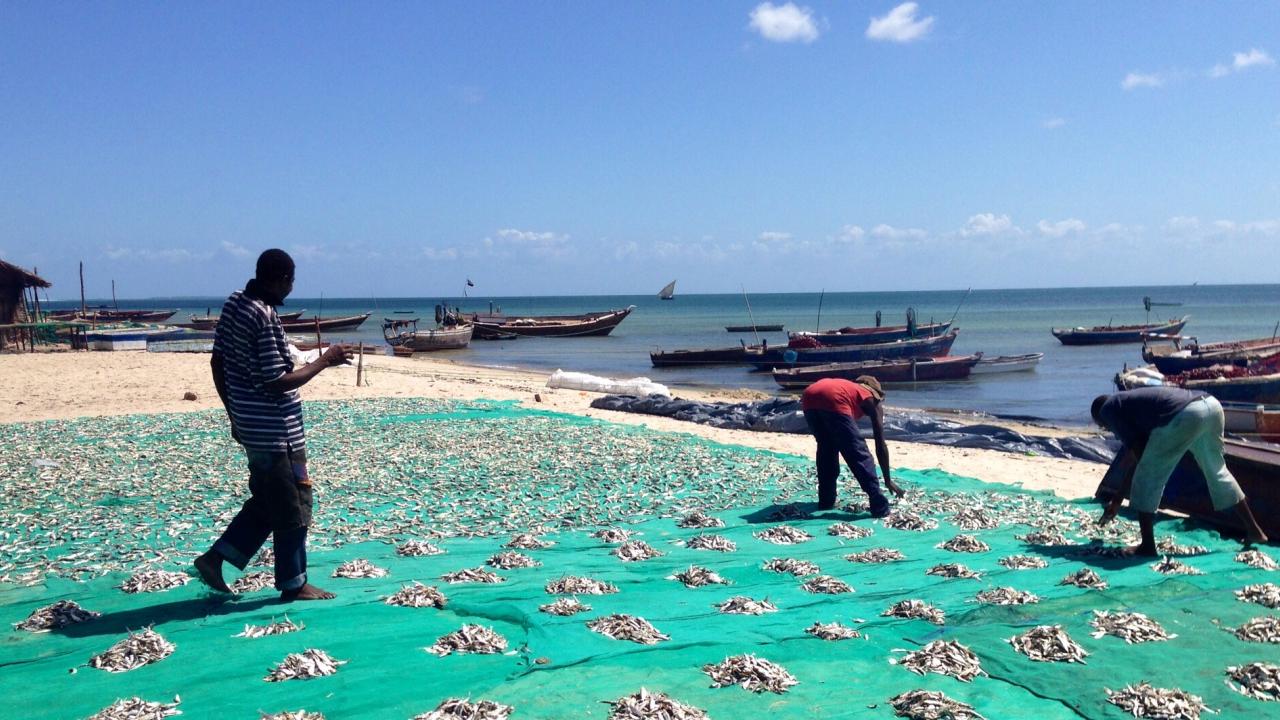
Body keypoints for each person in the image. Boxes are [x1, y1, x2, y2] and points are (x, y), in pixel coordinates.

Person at [194, 249, 348, 601]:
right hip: (276, 431)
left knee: (268, 499)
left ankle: (215, 559)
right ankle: (294, 583)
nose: (291, 289)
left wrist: (234, 413)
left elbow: (218, 363)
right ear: (280, 280)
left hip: (251, 424)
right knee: (293, 502)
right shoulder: (262, 316)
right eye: (290, 282)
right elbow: (278, 380)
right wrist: (325, 360)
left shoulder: (235, 304)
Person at [1092, 386, 1268, 556]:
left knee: (1146, 478)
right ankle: (1254, 530)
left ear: (1100, 418)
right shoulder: (1130, 401)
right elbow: (1140, 451)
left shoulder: (1108, 409)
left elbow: (1141, 457)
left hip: (1186, 415)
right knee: (1217, 470)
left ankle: (1147, 546)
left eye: (1104, 427)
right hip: (1211, 405)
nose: (1108, 430)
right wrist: (1117, 499)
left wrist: (1118, 498)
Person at [801, 375, 904, 515]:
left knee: (827, 450)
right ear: (876, 393)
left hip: (808, 397)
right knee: (858, 453)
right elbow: (880, 444)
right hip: (833, 398)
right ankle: (879, 505)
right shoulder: (870, 397)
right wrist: (888, 480)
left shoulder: (849, 388)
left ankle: (826, 501)